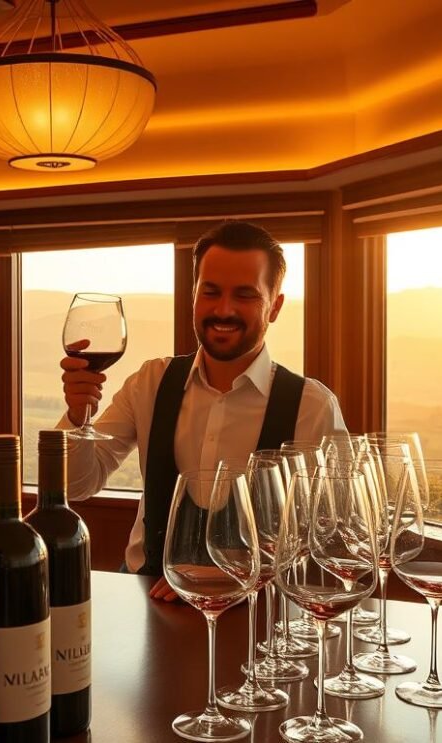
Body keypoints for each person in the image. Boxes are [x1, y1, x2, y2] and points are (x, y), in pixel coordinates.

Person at [58, 220, 347, 601]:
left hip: (259, 618)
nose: (223, 309)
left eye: (245, 295)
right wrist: (80, 417)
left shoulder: (312, 407)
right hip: (147, 599)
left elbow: (337, 536)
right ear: (193, 295)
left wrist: (240, 577)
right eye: (210, 292)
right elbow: (78, 486)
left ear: (275, 306)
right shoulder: (151, 381)